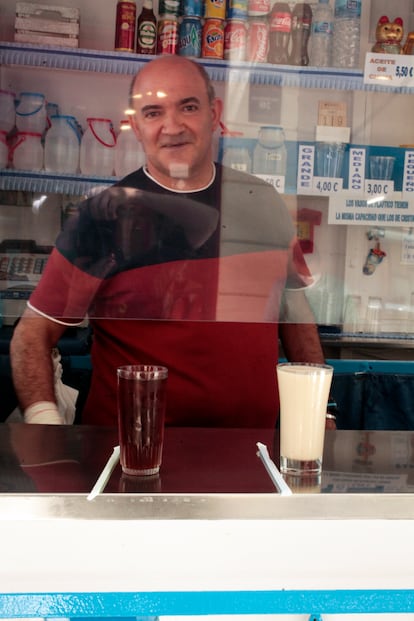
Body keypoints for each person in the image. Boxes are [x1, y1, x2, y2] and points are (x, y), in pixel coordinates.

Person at [10, 55, 336, 429]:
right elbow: (32, 335)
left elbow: (295, 313)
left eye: (189, 107)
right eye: (153, 113)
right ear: (135, 125)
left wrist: (318, 411)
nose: (172, 126)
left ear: (214, 114)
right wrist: (47, 430)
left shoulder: (261, 200)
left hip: (251, 458)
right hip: (132, 463)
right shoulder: (103, 216)